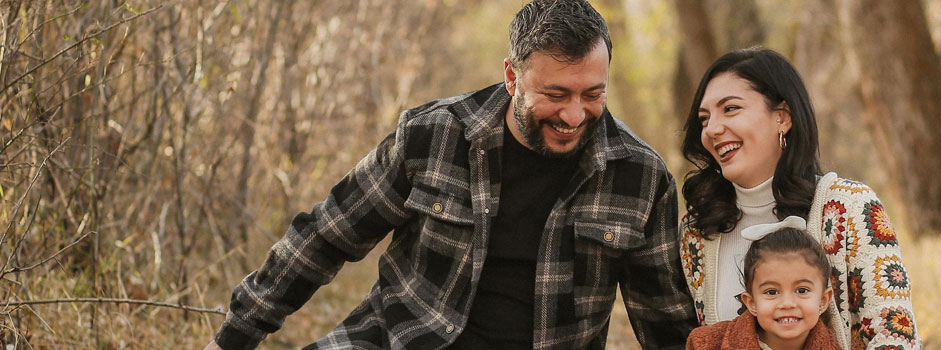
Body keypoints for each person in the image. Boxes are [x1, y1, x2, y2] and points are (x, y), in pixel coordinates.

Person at [205, 1, 696, 349]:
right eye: (556, 94)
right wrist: (235, 336)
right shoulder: (433, 135)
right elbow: (326, 235)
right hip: (399, 338)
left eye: (593, 94)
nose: (574, 114)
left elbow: (666, 321)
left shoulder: (640, 176)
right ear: (511, 77)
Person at [678, 47, 921, 349]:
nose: (712, 129)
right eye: (704, 119)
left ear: (782, 118)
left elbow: (894, 336)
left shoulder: (849, 207)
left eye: (730, 109)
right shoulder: (698, 230)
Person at [686, 217, 840, 350]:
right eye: (772, 292)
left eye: (802, 290)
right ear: (751, 302)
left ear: (823, 300)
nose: (787, 304)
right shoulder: (708, 344)